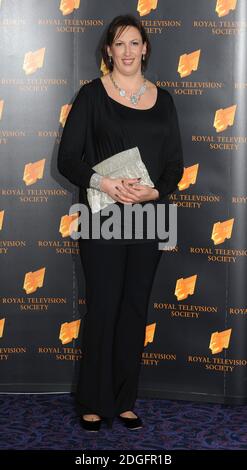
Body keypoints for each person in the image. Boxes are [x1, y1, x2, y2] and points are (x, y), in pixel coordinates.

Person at [57, 14, 184, 432]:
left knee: (134, 310)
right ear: (108, 51)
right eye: (119, 44)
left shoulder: (163, 100)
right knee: (105, 308)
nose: (127, 51)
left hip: (150, 216)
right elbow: (68, 159)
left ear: (145, 48)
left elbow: (174, 166)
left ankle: (125, 399)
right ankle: (94, 400)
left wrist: (156, 192)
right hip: (102, 218)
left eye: (135, 43)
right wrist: (106, 182)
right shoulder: (92, 95)